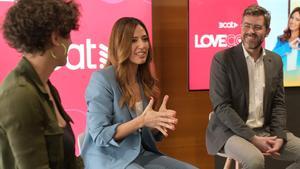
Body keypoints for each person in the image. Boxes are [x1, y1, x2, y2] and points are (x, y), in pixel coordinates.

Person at [81, 17, 199, 169]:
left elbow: (140, 132)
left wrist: (157, 122)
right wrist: (142, 121)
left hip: (139, 155)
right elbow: (100, 135)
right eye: (133, 40)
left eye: (145, 39)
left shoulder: (143, 80)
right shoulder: (102, 79)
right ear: (120, 44)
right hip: (108, 159)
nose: (142, 45)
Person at [206, 5, 300, 169]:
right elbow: (221, 107)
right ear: (241, 27)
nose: (251, 31)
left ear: (267, 31)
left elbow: (278, 104)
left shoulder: (276, 61)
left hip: (266, 130)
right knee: (254, 160)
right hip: (230, 132)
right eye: (247, 26)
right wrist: (252, 138)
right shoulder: (222, 59)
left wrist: (279, 135)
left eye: (257, 27)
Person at [0, 0, 82, 169]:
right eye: (68, 35)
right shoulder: (19, 95)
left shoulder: (47, 87)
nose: (71, 43)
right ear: (55, 38)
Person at [273, 7, 300, 86]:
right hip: (282, 85)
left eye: (297, 19)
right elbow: (272, 57)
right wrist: (288, 46)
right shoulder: (281, 40)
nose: (292, 21)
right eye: (292, 18)